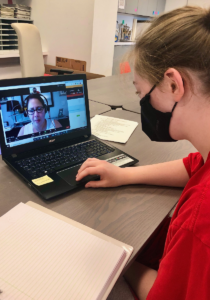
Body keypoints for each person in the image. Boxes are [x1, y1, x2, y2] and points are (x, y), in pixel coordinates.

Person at [76, 6, 210, 300]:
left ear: (174, 84)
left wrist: (122, 255)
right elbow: (193, 166)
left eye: (141, 93)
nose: (142, 103)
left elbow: (163, 295)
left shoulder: (201, 215)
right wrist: (123, 174)